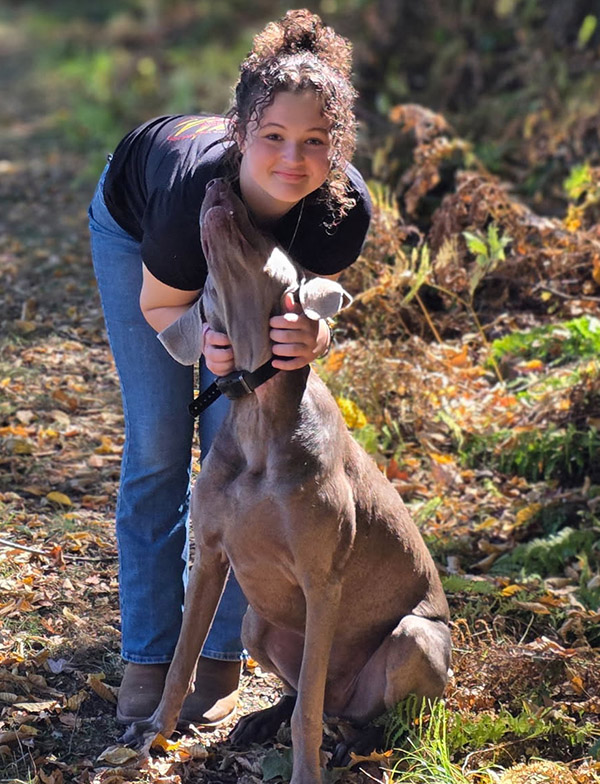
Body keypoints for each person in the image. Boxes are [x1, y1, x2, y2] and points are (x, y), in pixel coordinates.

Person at [88, 8, 372, 726]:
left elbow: (310, 305)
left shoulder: (340, 210)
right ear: (240, 132)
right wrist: (204, 341)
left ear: (337, 147)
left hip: (233, 250)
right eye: (272, 136)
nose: (292, 158)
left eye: (315, 141)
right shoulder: (190, 195)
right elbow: (165, 308)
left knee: (244, 452)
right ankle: (148, 657)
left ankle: (219, 655)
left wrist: (314, 336)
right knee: (159, 446)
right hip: (140, 231)